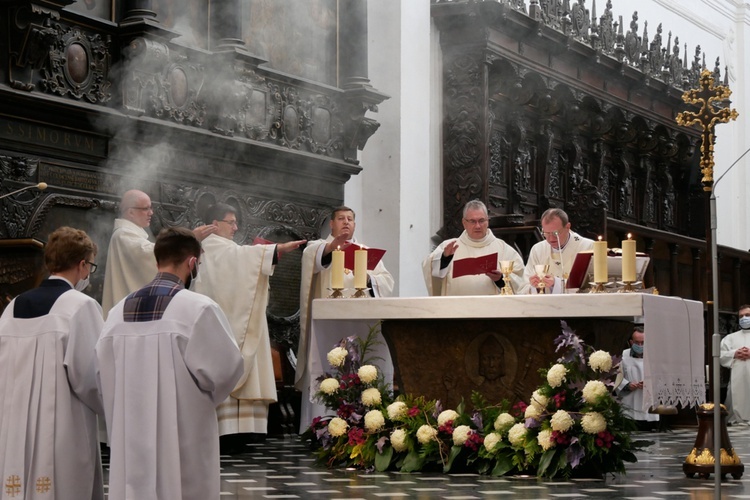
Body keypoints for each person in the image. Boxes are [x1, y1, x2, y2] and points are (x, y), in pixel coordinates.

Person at [97, 226, 244, 500]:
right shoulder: (198, 308)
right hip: (183, 431)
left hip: (129, 434)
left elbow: (103, 374)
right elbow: (227, 369)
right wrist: (201, 400)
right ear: (192, 263)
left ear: (157, 261)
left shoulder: (117, 313)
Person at [0, 226, 105, 499]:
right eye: (90, 266)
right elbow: (92, 379)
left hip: (12, 426)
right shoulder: (81, 306)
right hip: (62, 426)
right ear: (82, 265)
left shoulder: (13, 306)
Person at [192, 203, 306, 452]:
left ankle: (241, 428)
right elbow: (242, 258)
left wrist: (266, 253)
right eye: (230, 222)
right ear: (213, 223)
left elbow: (242, 259)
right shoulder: (211, 248)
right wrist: (275, 250)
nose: (235, 227)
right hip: (220, 326)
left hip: (225, 322)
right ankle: (235, 431)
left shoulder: (221, 249)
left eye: (235, 222)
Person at [294, 206, 394, 392]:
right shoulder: (318, 247)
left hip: (361, 324)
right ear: (332, 224)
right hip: (329, 325)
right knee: (330, 369)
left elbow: (387, 281)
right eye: (341, 218)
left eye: (350, 219)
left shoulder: (366, 252)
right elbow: (312, 259)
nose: (346, 222)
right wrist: (332, 248)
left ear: (354, 224)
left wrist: (368, 279)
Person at [101, 189, 214, 318]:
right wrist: (189, 239)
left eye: (151, 208)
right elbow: (151, 253)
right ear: (131, 212)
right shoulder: (122, 234)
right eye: (146, 209)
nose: (151, 213)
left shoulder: (132, 234)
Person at [422, 199, 524, 295]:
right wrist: (444, 258)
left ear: (487, 221)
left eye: (481, 220)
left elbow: (520, 280)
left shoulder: (503, 249)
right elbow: (430, 269)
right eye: (472, 221)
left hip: (492, 311)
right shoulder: (449, 247)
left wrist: (500, 279)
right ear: (464, 223)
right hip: (457, 309)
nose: (477, 226)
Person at [522, 208, 594, 294]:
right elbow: (524, 286)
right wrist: (534, 286)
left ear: (567, 227)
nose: (551, 239)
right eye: (546, 233)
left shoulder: (588, 247)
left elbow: (592, 286)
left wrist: (557, 284)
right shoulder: (538, 249)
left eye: (555, 233)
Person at [615, 326, 659, 430]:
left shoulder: (655, 356)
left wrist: (649, 383)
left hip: (649, 409)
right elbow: (616, 378)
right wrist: (627, 385)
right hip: (629, 405)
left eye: (643, 342)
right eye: (636, 342)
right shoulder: (623, 356)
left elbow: (662, 378)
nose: (640, 345)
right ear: (631, 342)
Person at [720, 304, 750, 424]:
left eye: (747, 315)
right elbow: (721, 355)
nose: (744, 318)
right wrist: (735, 353)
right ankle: (737, 418)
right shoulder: (730, 338)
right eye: (741, 316)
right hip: (738, 377)